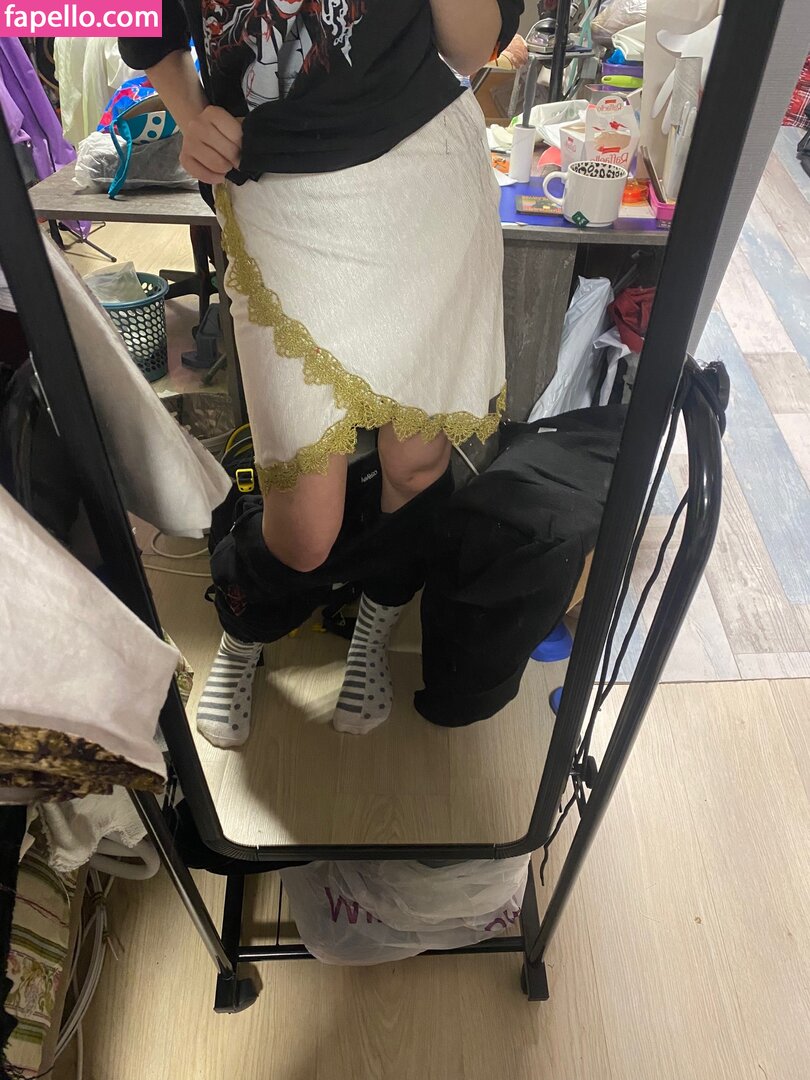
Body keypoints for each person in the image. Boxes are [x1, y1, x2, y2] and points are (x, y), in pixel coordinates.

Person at [120, 0, 523, 746]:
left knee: (417, 462)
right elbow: (140, 21)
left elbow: (470, 51)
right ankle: (245, 624)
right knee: (304, 527)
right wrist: (191, 114)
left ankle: (375, 620)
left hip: (424, 176)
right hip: (276, 193)